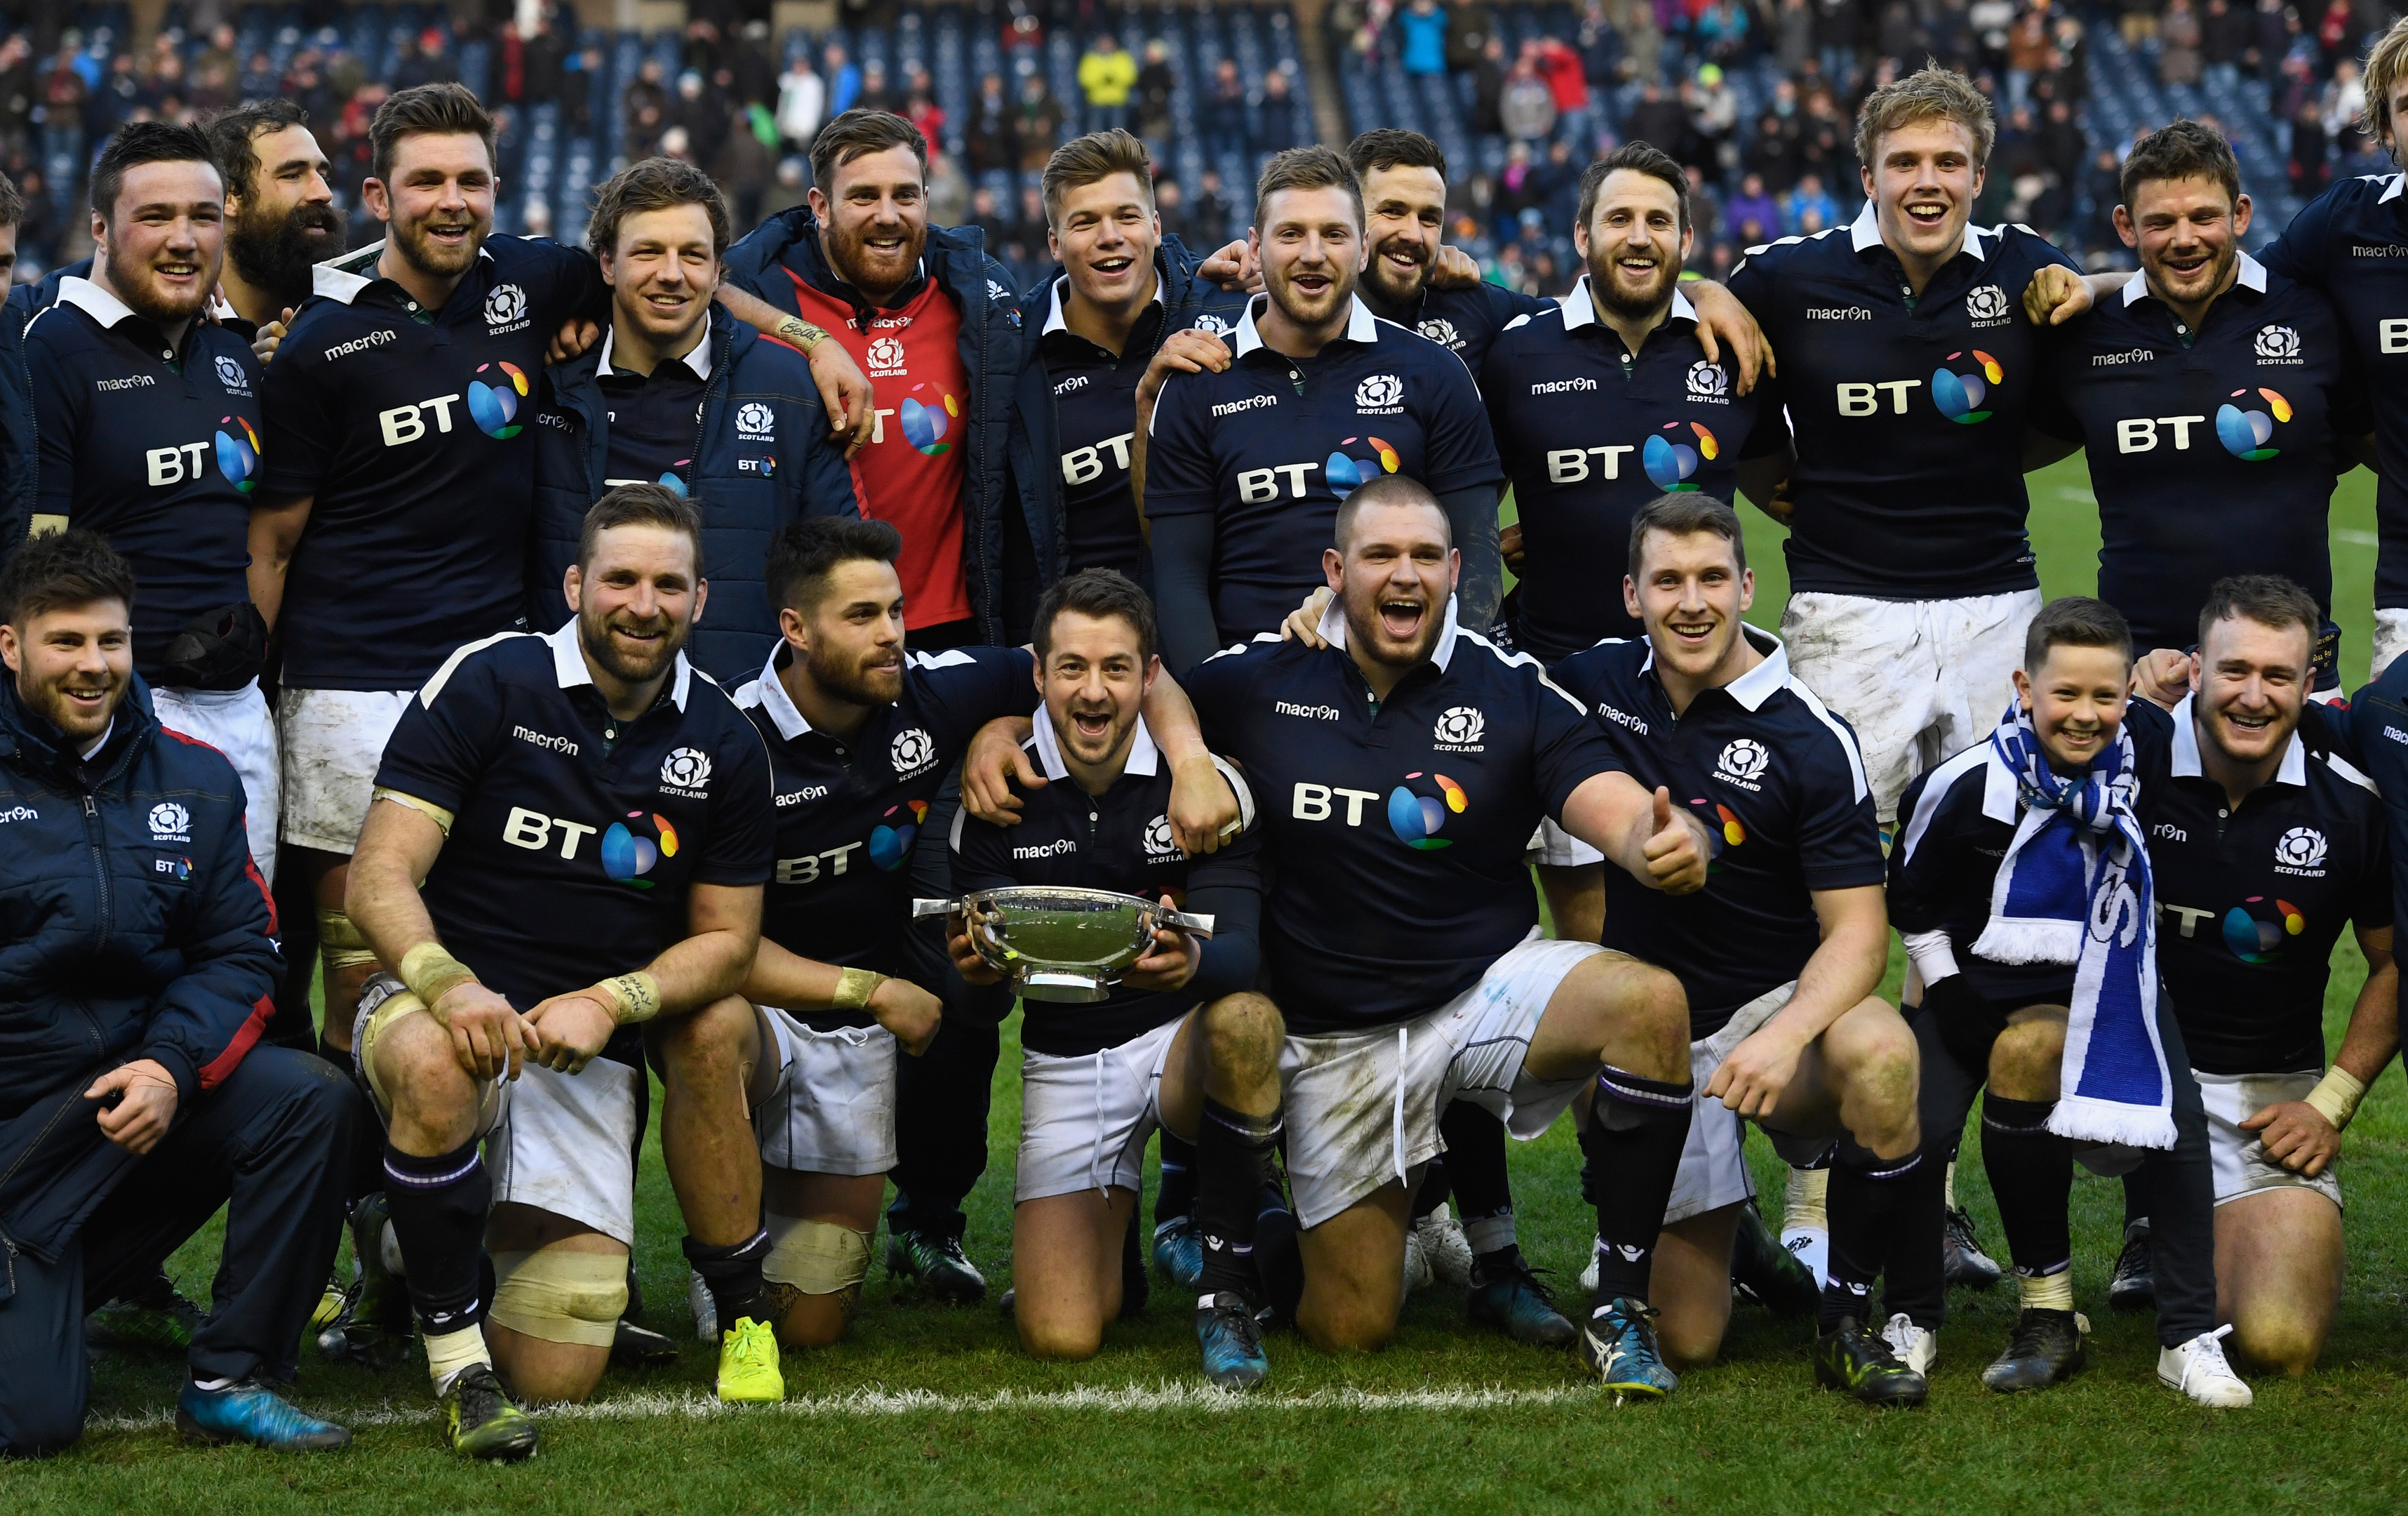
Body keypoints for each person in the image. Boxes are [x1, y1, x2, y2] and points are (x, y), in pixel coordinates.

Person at [1179, 474, 1712, 1397]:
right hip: (1339, 1036)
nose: (1406, 575)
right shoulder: (1268, 675)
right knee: (1349, 1328)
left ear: (1457, 570)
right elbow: (1163, 689)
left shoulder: (1507, 690)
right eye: (1381, 556)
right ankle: (1268, 1238)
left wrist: (1654, 837)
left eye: (1426, 556)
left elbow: (1604, 797)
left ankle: (1621, 1308)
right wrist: (1189, 757)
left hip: (1479, 996)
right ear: (1336, 572)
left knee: (1648, 1002)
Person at [344, 486, 781, 1458]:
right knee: (438, 1068)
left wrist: (608, 1000)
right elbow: (379, 875)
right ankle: (462, 1372)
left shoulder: (722, 739)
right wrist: (450, 985)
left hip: (583, 1050)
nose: (643, 603)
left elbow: (729, 944)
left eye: (669, 584)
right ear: (577, 583)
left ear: (701, 600)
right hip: (439, 1003)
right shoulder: (491, 680)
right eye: (620, 578)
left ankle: (401, 1238)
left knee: (561, 1374)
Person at [719, 517, 1236, 1326]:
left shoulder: (928, 689)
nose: (892, 635)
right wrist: (869, 990)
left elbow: (1118, 670)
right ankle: (725, 1253)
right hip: (769, 999)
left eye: (895, 610)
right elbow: (711, 945)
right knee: (709, 1031)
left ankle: (928, 1217)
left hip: (856, 1027)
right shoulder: (730, 741)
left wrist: (1188, 763)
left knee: (812, 1322)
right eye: (862, 617)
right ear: (794, 628)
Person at [246, 83, 612, 1116]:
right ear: (377, 195)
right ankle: (367, 1244)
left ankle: (465, 1213)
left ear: (498, 188)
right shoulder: (319, 343)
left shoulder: (536, 281)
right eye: (426, 183)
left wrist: (812, 346)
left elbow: (690, 253)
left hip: (495, 684)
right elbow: (272, 540)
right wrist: (251, 680)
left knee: (488, 954)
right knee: (365, 986)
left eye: (470, 181)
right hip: (348, 691)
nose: (451, 202)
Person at [1546, 494, 1926, 1405]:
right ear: (1631, 595)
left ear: (1746, 586)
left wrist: (1786, 1033)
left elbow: (1860, 936)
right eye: (1667, 580)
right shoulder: (1591, 683)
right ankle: (1738, 1232)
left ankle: (1846, 1321)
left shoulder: (1809, 734)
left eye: (1712, 577)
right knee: (1694, 1339)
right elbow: (1469, 683)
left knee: (1883, 1054)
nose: (1691, 601)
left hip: (1775, 1015)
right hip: (1655, 1038)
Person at [0, 528, 353, 1455]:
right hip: (21, 1133)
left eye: (109, 642)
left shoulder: (195, 777)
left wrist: (167, 1064)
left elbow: (244, 951)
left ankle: (232, 1376)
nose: (92, 665)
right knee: (34, 1426)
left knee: (308, 1099)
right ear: (11, 647)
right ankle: (46, 1289)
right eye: (65, 642)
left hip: (136, 1105)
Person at [1886, 597, 2254, 1407]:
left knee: (2178, 1125)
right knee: (1918, 1126)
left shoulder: (2153, 749)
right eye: (2065, 695)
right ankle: (1912, 1315)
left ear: (2131, 696)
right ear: (2024, 687)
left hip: (2108, 975)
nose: (2085, 716)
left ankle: (2186, 1334)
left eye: (2104, 696)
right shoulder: (1964, 784)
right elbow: (1911, 900)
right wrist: (1946, 991)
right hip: (1972, 987)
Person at [1716, 66, 2080, 826]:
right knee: (1828, 850)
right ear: (1868, 177)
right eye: (1905, 162)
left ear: (1979, 176)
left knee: (2000, 848)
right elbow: (1675, 320)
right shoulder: (1789, 275)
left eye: (1948, 163)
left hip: (1998, 608)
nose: (1928, 181)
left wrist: (2098, 285)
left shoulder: (2027, 267)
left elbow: (2105, 348)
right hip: (1844, 609)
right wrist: (1705, 290)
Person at [949, 568, 1280, 1387]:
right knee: (1063, 1336)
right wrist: (977, 973)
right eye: (1071, 669)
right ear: (1038, 675)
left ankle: (1227, 1288)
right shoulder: (994, 796)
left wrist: (1194, 962)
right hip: (1066, 1062)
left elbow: (1246, 953)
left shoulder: (1203, 790)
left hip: (1177, 1044)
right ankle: (1116, 1254)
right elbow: (974, 1007)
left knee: (1245, 1020)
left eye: (1117, 669)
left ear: (1148, 676)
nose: (1093, 692)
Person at [2126, 577, 2391, 1376]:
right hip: (2107, 1066)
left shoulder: (2353, 807)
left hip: (2254, 1093)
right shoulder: (2120, 754)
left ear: (2310, 683)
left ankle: (2175, 1226)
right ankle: (2042, 1293)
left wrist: (2330, 1103)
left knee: (2277, 1340)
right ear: (2194, 667)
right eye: (2234, 670)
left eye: (2278, 676)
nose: (2253, 696)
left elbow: (2393, 963)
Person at [2024, 121, 2367, 691]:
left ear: (2241, 215)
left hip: (2291, 673)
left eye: (2204, 216)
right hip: (2144, 678)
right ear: (2126, 226)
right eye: (2160, 222)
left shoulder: (2317, 319)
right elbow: (2012, 452)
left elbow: (2371, 444)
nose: (2185, 238)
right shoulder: (2084, 338)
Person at [25, 123, 277, 895]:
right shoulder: (48, 353)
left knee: (247, 950)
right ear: (100, 228)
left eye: (203, 217)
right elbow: (35, 567)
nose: (183, 239)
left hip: (240, 710)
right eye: (155, 216)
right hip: (117, 713)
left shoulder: (234, 357)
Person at [1140, 146, 1504, 674]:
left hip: (1404, 686)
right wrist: (1215, 706)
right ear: (1255, 248)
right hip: (1250, 697)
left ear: (1362, 250)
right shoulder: (1197, 382)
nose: (1313, 254)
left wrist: (1437, 687)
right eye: (1291, 234)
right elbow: (1180, 581)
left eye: (1334, 235)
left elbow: (1475, 564)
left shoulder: (1436, 374)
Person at [530, 157, 860, 685]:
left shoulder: (789, 387)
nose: (671, 273)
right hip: (566, 721)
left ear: (717, 269)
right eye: (648, 252)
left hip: (741, 717)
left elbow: (839, 569)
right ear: (608, 265)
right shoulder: (546, 384)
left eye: (691, 255)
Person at [1485, 142, 1786, 664]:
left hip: (1694, 677)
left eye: (1659, 221)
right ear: (1583, 235)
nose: (1640, 238)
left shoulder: (1735, 354)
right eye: (1619, 218)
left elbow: (1785, 494)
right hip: (1555, 676)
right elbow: (1465, 512)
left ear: (1686, 239)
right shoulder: (1518, 353)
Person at [1011, 130, 1252, 590]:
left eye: (1127, 216)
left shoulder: (1234, 316)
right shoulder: (1012, 357)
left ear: (1157, 227)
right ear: (1054, 243)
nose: (1110, 237)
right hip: (1081, 644)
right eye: (1085, 223)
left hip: (1219, 635)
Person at [1345, 130, 1554, 376]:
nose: (1414, 235)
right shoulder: (1309, 319)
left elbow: (1573, 313)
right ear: (1348, 213)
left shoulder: (1471, 306)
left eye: (1429, 218)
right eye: (1392, 211)